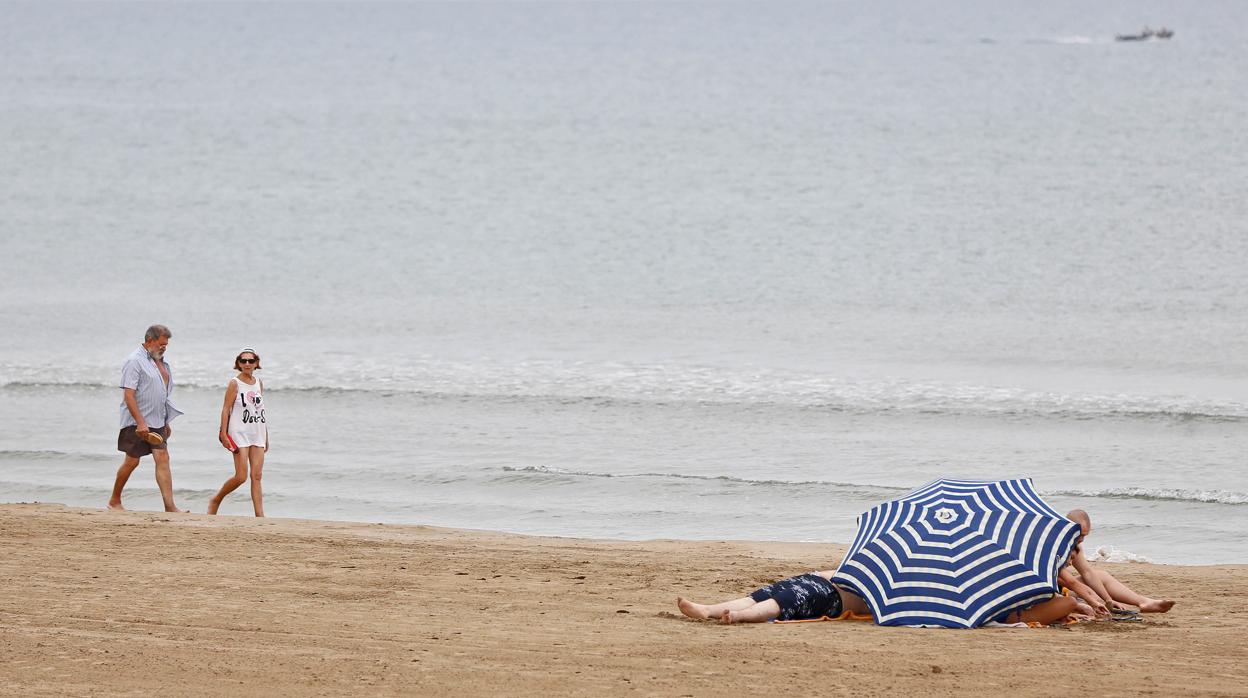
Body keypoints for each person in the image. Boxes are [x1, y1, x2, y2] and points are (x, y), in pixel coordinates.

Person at [107, 325, 186, 512]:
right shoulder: (134, 361)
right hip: (137, 421)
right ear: (149, 340)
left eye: (166, 345)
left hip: (158, 420)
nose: (164, 348)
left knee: (163, 457)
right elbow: (129, 395)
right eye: (161, 344)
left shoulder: (161, 362)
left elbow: (162, 395)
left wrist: (166, 421)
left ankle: (170, 506)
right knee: (132, 461)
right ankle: (114, 501)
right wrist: (141, 422)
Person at [1063, 509, 1175, 613]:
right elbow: (1062, 579)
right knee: (1081, 592)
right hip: (1054, 589)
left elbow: (1087, 572)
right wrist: (1092, 596)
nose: (1082, 540)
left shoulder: (1074, 545)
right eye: (1080, 535)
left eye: (1085, 536)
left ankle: (1143, 602)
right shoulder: (1056, 544)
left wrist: (1108, 600)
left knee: (1101, 575)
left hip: (1065, 584)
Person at [676, 570, 871, 624]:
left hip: (831, 596)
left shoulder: (889, 589)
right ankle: (707, 610)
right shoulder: (879, 565)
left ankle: (738, 616)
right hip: (814, 578)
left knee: (781, 603)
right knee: (757, 596)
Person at [208, 349, 269, 517]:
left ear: (256, 363)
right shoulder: (234, 383)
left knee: (257, 476)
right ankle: (216, 499)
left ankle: (260, 516)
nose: (247, 364)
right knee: (241, 476)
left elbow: (260, 410)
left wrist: (266, 436)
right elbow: (226, 408)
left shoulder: (259, 383)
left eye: (251, 361)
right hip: (239, 433)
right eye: (244, 361)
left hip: (257, 432)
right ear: (238, 364)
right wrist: (223, 433)